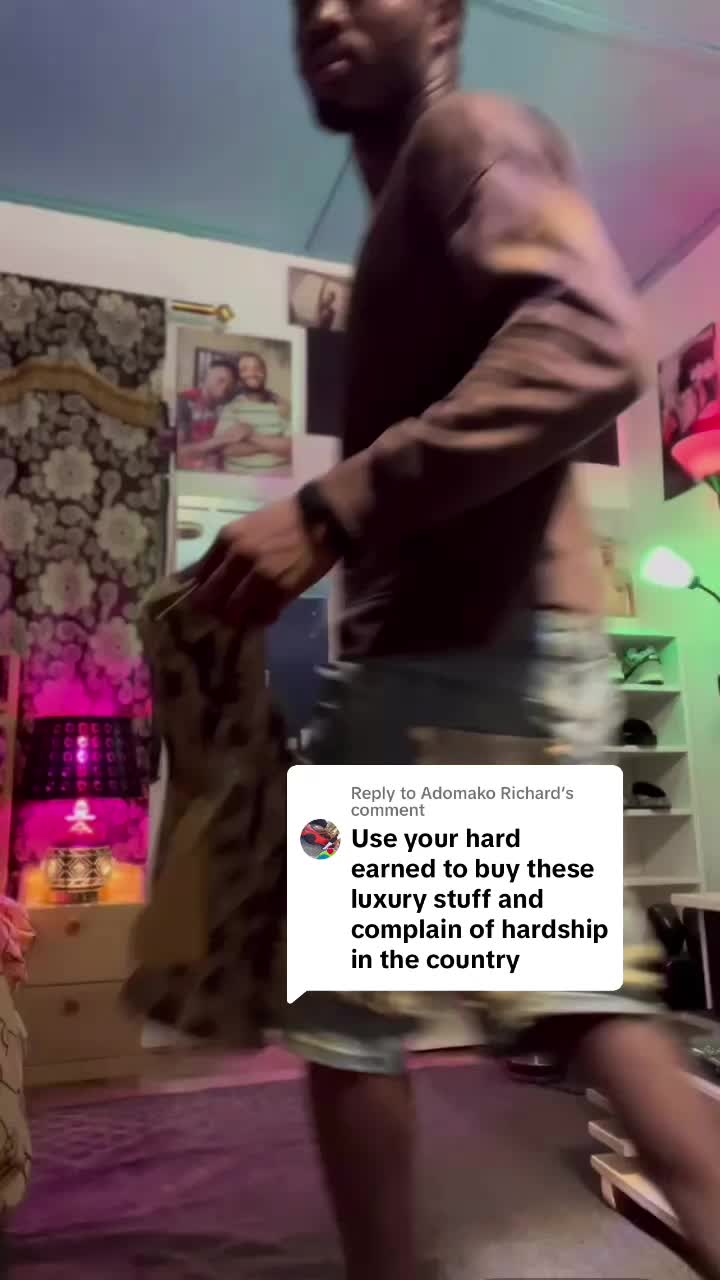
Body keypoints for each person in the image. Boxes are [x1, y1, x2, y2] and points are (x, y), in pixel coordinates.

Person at [193, 2, 720, 1276]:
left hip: (462, 659)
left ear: (441, 15)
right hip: (480, 656)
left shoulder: (469, 135)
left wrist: (333, 506)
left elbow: (593, 342)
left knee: (351, 1020)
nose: (322, 11)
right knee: (574, 999)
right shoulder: (412, 201)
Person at [175, 358, 237, 470]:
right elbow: (178, 451)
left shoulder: (227, 406)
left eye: (229, 384)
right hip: (190, 473)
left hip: (219, 471)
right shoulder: (183, 402)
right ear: (207, 376)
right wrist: (223, 439)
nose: (224, 387)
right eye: (221, 380)